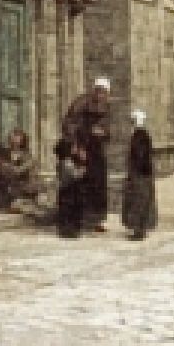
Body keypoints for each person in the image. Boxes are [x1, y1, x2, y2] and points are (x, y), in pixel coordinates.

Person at [63, 77, 113, 232]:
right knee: (82, 184)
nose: (101, 95)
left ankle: (96, 219)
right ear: (94, 90)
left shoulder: (106, 107)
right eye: (99, 91)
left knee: (98, 185)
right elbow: (70, 124)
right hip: (82, 149)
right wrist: (77, 145)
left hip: (97, 152)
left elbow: (108, 130)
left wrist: (103, 133)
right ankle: (81, 219)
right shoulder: (81, 104)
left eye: (104, 92)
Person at [122, 109, 158, 240]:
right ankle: (140, 228)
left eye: (131, 122)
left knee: (139, 201)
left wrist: (135, 172)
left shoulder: (139, 136)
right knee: (141, 200)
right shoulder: (142, 135)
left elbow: (140, 156)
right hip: (142, 173)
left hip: (140, 174)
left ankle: (139, 231)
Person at [54, 134, 88, 238]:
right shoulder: (67, 162)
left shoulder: (64, 162)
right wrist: (83, 165)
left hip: (66, 190)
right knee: (70, 211)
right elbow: (76, 175)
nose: (76, 149)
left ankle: (67, 229)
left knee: (67, 211)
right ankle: (68, 230)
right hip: (70, 190)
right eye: (73, 147)